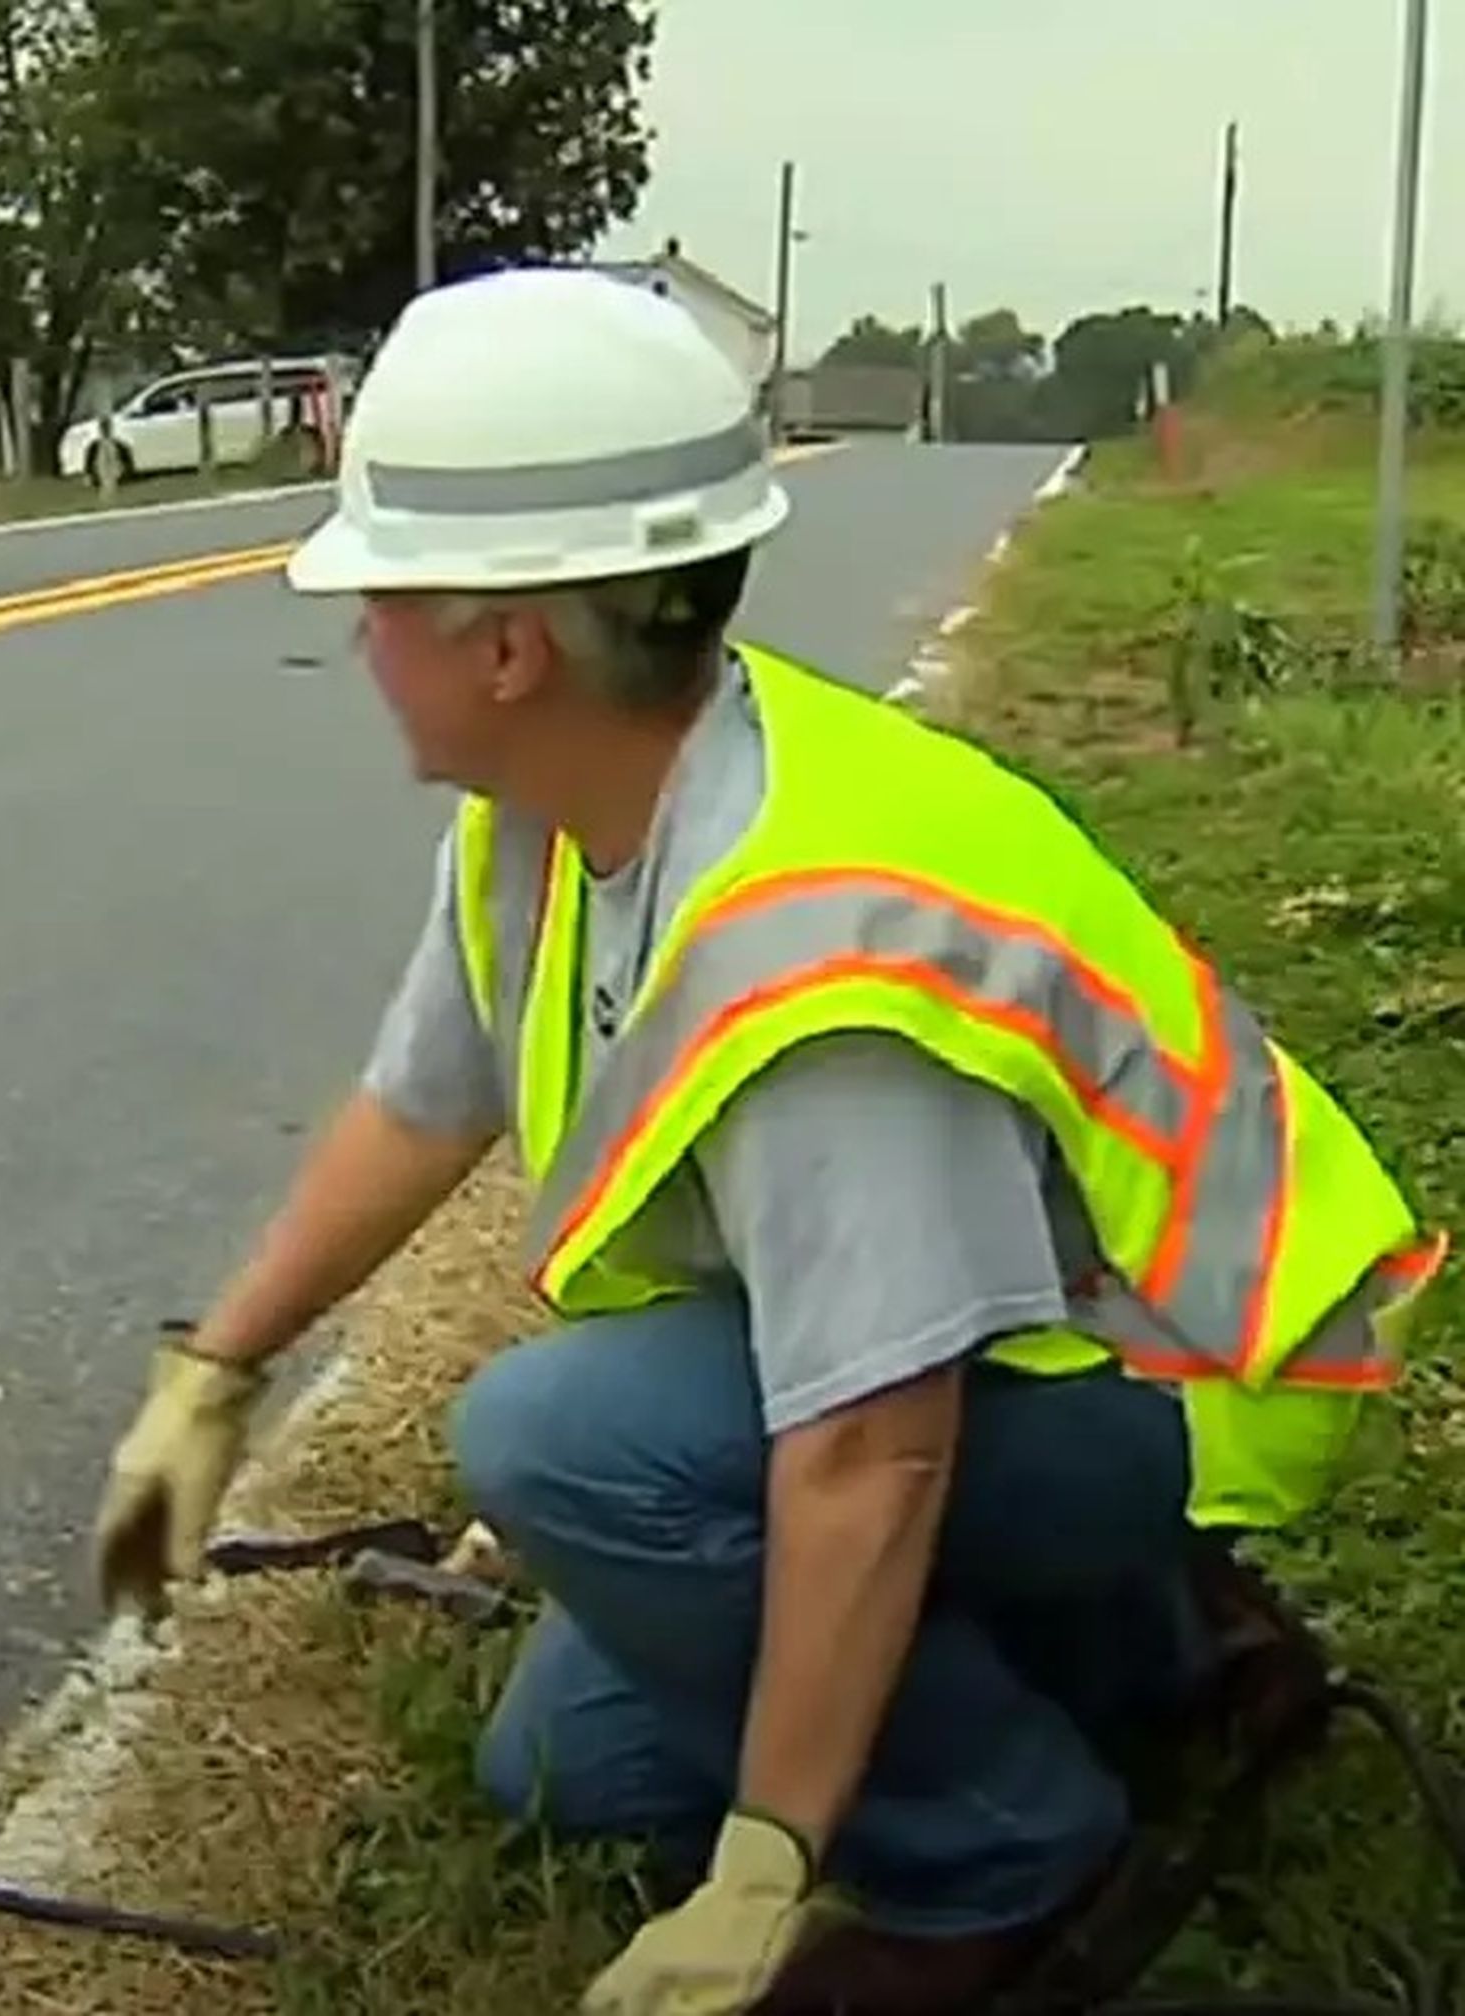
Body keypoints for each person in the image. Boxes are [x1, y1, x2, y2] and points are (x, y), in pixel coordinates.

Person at [89, 267, 1445, 2016]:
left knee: (562, 1442)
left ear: (511, 646)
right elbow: (424, 1103)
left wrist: (771, 1863)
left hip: (1175, 1388)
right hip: (1040, 1354)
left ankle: (1007, 1852)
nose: (361, 637)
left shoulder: (828, 966)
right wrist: (219, 1371)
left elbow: (874, 1447)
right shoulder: (562, 812)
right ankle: (1155, 1652)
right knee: (569, 1772)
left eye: (386, 595)